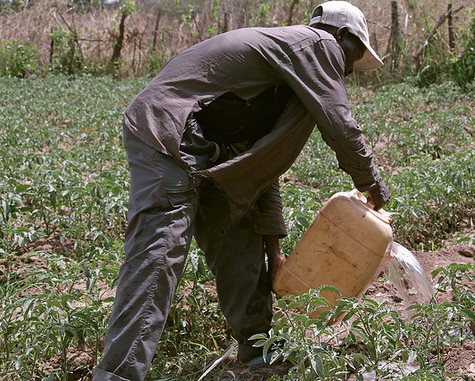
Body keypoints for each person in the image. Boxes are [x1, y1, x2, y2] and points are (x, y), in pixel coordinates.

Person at [93, 1, 391, 379]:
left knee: (240, 234)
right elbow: (341, 124)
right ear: (343, 37)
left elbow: (262, 172)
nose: (348, 69)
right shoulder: (316, 44)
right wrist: (370, 183)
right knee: (159, 254)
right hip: (168, 135)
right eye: (354, 55)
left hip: (209, 153)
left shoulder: (287, 75)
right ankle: (117, 375)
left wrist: (274, 250)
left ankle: (258, 350)